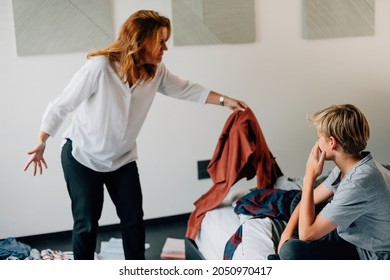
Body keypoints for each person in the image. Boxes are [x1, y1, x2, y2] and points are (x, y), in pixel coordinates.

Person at [23, 10, 247, 260]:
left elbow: (185, 88)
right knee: (86, 224)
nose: (165, 48)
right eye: (160, 41)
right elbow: (61, 105)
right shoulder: (100, 68)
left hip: (122, 159)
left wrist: (225, 100)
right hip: (82, 158)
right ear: (141, 41)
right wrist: (42, 140)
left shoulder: (155, 72)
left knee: (133, 220)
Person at [271, 104, 390, 260]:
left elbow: (306, 234)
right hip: (352, 232)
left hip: (368, 252)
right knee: (301, 200)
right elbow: (311, 198)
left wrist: (309, 177)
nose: (317, 141)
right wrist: (285, 235)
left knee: (291, 251)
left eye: (319, 136)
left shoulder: (359, 181)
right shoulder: (352, 162)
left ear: (332, 142)